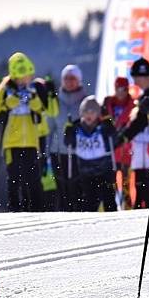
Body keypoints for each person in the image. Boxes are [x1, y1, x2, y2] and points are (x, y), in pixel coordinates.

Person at [0, 52, 51, 212]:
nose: (25, 80)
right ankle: (14, 207)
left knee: (33, 177)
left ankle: (36, 208)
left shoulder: (34, 88)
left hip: (31, 140)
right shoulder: (4, 88)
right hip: (11, 141)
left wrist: (33, 99)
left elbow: (42, 111)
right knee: (14, 177)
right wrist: (9, 103)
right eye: (22, 77)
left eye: (27, 76)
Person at [119, 57, 149, 209]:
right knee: (144, 176)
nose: (135, 84)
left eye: (136, 79)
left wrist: (125, 135)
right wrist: (124, 136)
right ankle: (144, 202)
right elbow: (140, 120)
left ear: (146, 76)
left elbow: (141, 121)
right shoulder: (148, 92)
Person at [64, 96, 118, 212]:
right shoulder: (76, 127)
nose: (89, 115)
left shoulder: (102, 127)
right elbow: (69, 144)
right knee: (89, 201)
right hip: (85, 172)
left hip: (103, 170)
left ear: (97, 113)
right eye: (86, 111)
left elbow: (113, 141)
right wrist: (68, 133)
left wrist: (110, 128)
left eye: (92, 112)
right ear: (81, 113)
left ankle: (113, 219)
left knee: (108, 199)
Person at [48, 64, 88, 211]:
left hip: (80, 151)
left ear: (79, 80)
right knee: (61, 186)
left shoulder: (85, 100)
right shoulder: (56, 101)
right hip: (58, 151)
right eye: (66, 78)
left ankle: (79, 211)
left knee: (78, 186)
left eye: (73, 78)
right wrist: (46, 152)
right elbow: (49, 128)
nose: (69, 82)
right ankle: (63, 212)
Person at [103, 76, 136, 209]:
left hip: (127, 147)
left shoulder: (132, 104)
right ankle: (112, 206)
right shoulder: (108, 103)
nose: (121, 92)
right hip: (111, 147)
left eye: (123, 89)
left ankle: (127, 205)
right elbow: (102, 119)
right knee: (111, 179)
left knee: (127, 179)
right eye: (118, 89)